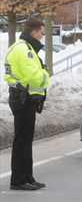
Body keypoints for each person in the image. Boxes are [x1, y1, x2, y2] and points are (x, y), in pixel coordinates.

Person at [3, 17, 50, 190]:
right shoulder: (25, 50)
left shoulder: (19, 46)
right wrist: (45, 73)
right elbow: (35, 77)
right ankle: (19, 179)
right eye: (41, 33)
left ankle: (27, 176)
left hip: (20, 97)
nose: (42, 37)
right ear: (33, 32)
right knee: (22, 140)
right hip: (23, 99)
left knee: (25, 139)